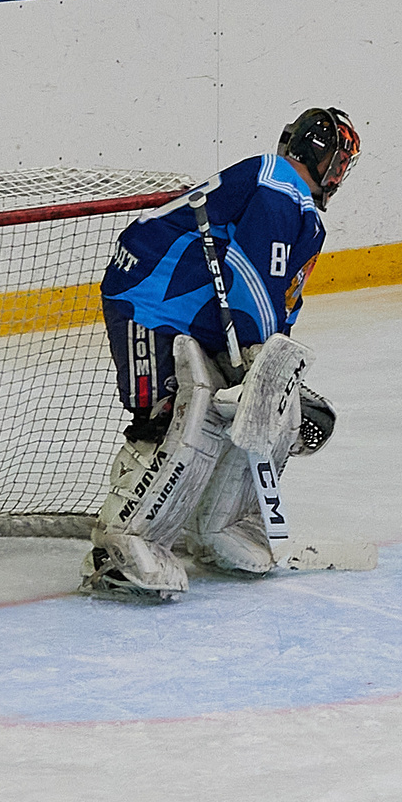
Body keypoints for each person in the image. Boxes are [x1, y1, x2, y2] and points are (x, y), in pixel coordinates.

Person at [84, 107, 361, 602]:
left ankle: (220, 525)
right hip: (150, 299)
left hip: (195, 314)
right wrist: (257, 357)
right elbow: (250, 280)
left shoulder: (302, 215)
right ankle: (119, 543)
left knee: (257, 409)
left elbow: (280, 302)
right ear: (316, 155)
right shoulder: (276, 186)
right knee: (170, 415)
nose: (338, 177)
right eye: (338, 163)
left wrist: (271, 371)